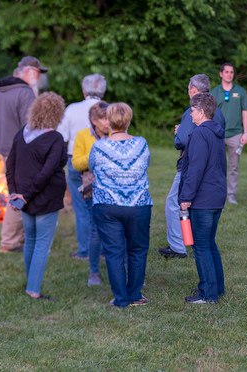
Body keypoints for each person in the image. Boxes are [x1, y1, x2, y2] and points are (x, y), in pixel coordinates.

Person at [89, 102, 152, 308]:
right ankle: (134, 295)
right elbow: (146, 163)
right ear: (128, 120)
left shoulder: (99, 146)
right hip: (138, 204)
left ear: (109, 121)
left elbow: (91, 165)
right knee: (138, 250)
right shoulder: (141, 143)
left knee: (114, 252)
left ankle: (121, 300)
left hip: (107, 204)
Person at [7, 92, 68, 301]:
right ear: (57, 113)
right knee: (41, 243)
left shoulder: (21, 133)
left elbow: (10, 165)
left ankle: (30, 283)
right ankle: (33, 290)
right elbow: (47, 172)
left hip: (26, 199)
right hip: (44, 198)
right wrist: (25, 195)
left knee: (31, 241)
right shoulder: (55, 138)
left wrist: (15, 193)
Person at [158, 74, 225, 259]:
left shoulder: (194, 110)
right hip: (214, 169)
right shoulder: (217, 111)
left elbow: (181, 141)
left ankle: (178, 245)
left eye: (189, 88)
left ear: (193, 89)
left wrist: (178, 133)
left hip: (192, 166)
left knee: (174, 203)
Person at [0, 56, 46, 253]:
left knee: (17, 191)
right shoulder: (25, 93)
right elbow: (30, 128)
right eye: (38, 73)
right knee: (19, 194)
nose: (39, 78)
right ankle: (9, 242)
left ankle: (20, 237)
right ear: (29, 71)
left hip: (6, 150)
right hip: (23, 152)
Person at [178, 93, 227, 304]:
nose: (190, 113)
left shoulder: (199, 134)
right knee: (210, 243)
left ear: (202, 112)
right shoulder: (217, 133)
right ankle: (216, 287)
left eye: (192, 109)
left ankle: (208, 294)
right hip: (216, 195)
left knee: (201, 246)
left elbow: (195, 169)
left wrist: (186, 197)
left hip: (203, 199)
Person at [56, 74, 106, 262]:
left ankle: (85, 250)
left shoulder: (72, 109)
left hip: (77, 162)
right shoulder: (110, 109)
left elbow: (62, 137)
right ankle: (102, 249)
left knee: (82, 208)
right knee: (103, 207)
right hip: (104, 162)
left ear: (84, 91)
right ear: (103, 91)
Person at [71, 101, 108, 286]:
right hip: (91, 189)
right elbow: (76, 163)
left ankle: (120, 268)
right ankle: (94, 272)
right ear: (94, 120)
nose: (109, 122)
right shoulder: (83, 136)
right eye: (104, 118)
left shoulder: (115, 135)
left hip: (113, 188)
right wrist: (97, 152)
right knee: (95, 230)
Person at [210, 63, 247, 205]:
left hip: (236, 134)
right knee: (215, 166)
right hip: (218, 134)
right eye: (226, 72)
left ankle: (231, 195)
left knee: (233, 166)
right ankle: (216, 194)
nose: (229, 74)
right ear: (221, 73)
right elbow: (210, 114)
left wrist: (246, 132)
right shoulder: (214, 92)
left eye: (231, 72)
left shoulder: (240, 91)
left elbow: (245, 112)